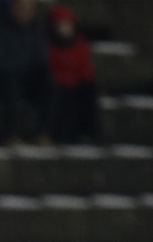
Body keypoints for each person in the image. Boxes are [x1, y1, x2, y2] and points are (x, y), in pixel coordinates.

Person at [0, 0, 54, 144]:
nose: (24, 12)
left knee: (51, 84)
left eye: (28, 9)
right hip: (4, 79)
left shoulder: (37, 31)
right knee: (11, 84)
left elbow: (41, 59)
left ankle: (43, 134)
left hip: (28, 79)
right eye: (21, 8)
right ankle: (11, 135)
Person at [46, 5, 100, 143]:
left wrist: (80, 80)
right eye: (61, 24)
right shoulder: (48, 45)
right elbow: (49, 68)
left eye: (68, 24)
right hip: (57, 83)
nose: (65, 28)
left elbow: (85, 69)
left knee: (88, 92)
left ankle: (88, 133)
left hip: (75, 82)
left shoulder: (80, 44)